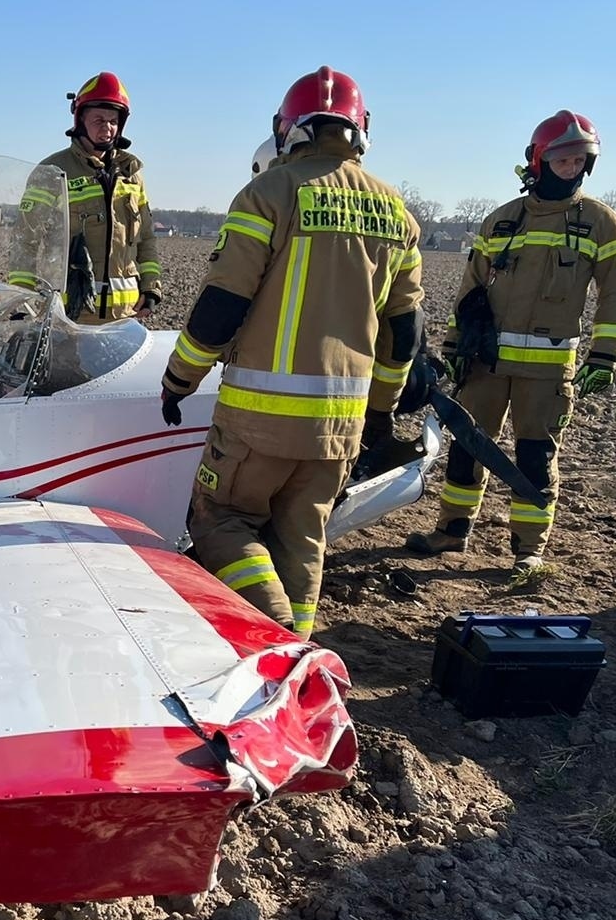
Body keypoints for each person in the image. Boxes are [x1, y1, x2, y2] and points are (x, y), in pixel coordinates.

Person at [159, 67, 423, 636]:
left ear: (288, 128)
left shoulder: (269, 193)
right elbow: (404, 331)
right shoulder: (397, 212)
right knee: (303, 536)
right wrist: (381, 409)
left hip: (260, 417)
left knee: (221, 520)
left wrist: (179, 378)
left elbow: (222, 305)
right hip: (341, 422)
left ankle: (275, 634)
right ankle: (299, 649)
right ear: (360, 130)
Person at [406, 110, 616, 570]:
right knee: (468, 446)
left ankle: (528, 551)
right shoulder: (502, 220)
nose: (571, 168)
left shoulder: (601, 223)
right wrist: (454, 347)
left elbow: (615, 294)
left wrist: (604, 356)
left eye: (580, 161)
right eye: (562, 160)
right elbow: (470, 290)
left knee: (535, 458)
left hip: (547, 371)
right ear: (539, 160)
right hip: (485, 364)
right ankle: (452, 531)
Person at [10, 72, 161, 323]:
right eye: (99, 119)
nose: (107, 127)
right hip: (69, 316)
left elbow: (146, 237)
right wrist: (22, 300)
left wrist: (151, 286)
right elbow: (25, 240)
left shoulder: (132, 173)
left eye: (113, 120)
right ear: (80, 119)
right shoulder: (52, 172)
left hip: (124, 318)